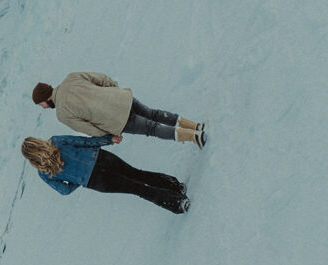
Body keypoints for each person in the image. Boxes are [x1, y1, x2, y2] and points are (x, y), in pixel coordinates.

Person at [21, 135, 190, 214]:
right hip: (103, 159)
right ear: (38, 141)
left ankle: (177, 203)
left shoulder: (44, 174)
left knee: (137, 189)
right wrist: (108, 140)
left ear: (30, 158)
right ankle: (175, 185)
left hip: (96, 181)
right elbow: (85, 142)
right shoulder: (56, 141)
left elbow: (64, 191)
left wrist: (79, 179)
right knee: (137, 174)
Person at [32, 72, 206, 147]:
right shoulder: (71, 78)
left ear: (45, 98)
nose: (44, 108)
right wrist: (115, 90)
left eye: (42, 105)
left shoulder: (62, 113)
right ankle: (194, 126)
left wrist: (108, 137)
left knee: (152, 129)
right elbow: (101, 78)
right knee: (153, 114)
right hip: (122, 98)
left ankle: (193, 137)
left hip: (116, 120)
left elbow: (88, 128)